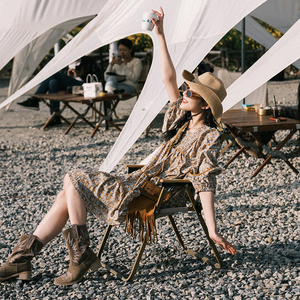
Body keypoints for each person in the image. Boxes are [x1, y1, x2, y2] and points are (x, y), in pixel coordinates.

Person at [0, 7, 235, 286]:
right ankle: (21, 261)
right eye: (185, 90)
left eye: (190, 93)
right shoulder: (180, 120)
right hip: (139, 182)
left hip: (158, 193)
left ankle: (78, 256)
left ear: (205, 104)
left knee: (73, 178)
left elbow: (205, 180)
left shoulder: (209, 135)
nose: (183, 93)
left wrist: (212, 229)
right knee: (68, 192)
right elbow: (167, 79)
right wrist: (159, 35)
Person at [17, 56, 100, 126]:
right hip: (69, 88)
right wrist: (68, 77)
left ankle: (35, 100)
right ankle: (55, 116)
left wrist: (82, 74)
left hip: (84, 86)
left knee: (54, 74)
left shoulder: (87, 61)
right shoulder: (66, 62)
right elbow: (61, 79)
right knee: (53, 82)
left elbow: (99, 76)